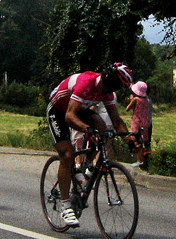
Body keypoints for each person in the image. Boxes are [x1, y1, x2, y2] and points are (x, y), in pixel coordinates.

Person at [46, 63, 135, 228]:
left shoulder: (107, 92)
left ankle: (85, 169)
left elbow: (116, 121)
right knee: (67, 155)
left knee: (102, 129)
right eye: (117, 86)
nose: (115, 90)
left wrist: (129, 139)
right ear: (110, 79)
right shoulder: (86, 82)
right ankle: (66, 206)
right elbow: (69, 116)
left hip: (81, 109)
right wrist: (87, 129)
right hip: (59, 111)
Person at [126, 81, 151, 167]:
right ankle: (142, 160)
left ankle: (139, 160)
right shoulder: (147, 100)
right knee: (143, 141)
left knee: (135, 140)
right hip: (145, 122)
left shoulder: (136, 99)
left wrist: (130, 101)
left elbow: (127, 109)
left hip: (136, 122)